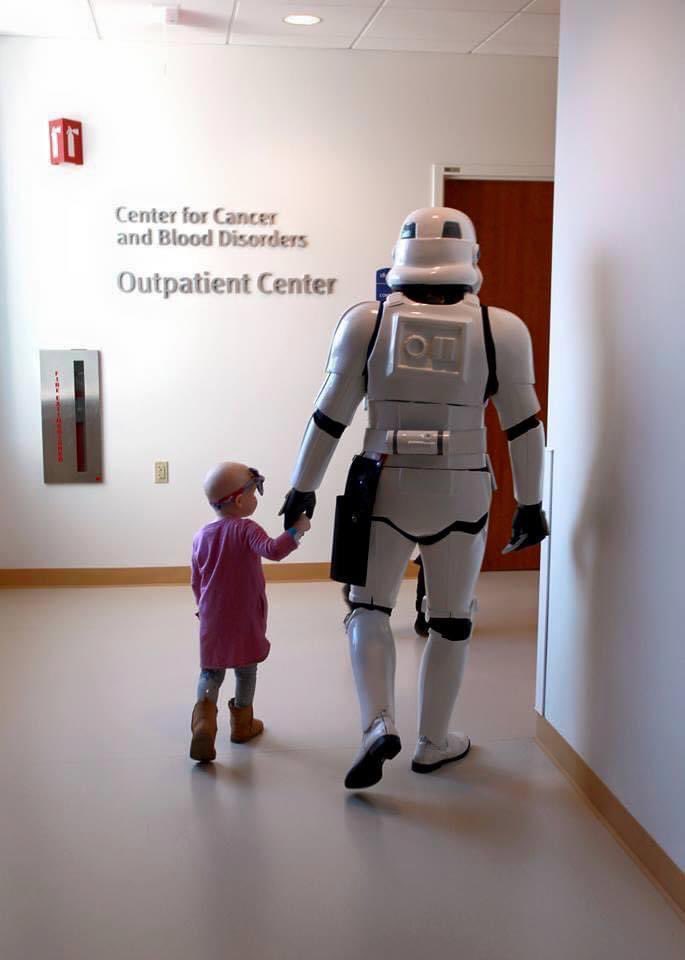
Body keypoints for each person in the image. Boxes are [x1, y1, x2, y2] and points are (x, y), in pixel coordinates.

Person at [280, 206, 548, 789]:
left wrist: (303, 487)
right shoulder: (502, 328)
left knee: (369, 607)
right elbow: (523, 425)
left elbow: (329, 415)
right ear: (471, 257)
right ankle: (432, 742)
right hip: (462, 486)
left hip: (382, 482)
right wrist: (531, 500)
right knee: (452, 620)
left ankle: (377, 722)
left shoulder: (365, 322)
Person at [190, 461, 310, 763]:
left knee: (211, 671)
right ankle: (242, 725)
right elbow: (273, 550)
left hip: (212, 617)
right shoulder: (246, 529)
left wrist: (201, 609)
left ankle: (204, 718)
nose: (257, 499)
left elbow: (196, 580)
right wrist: (298, 529)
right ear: (240, 500)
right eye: (255, 493)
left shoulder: (201, 536)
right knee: (246, 669)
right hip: (245, 617)